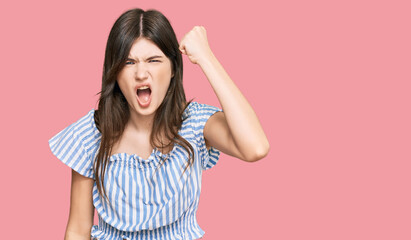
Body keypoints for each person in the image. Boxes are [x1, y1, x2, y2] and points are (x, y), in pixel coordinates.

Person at [49, 8, 269, 240]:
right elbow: (78, 230)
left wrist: (206, 57)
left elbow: (256, 147)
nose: (141, 73)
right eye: (129, 62)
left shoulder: (194, 124)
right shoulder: (90, 135)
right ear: (114, 72)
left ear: (173, 68)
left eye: (153, 60)